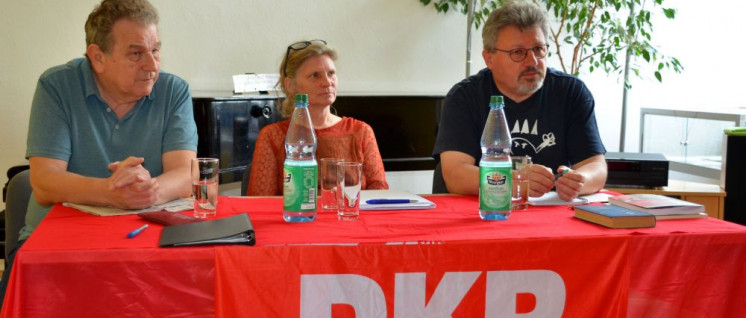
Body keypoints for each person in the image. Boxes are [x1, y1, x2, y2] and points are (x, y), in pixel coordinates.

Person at [0, 0, 197, 304]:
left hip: (144, 244)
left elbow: (187, 174)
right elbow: (44, 183)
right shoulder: (57, 86)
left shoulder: (174, 91)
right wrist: (109, 192)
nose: (152, 66)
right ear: (98, 57)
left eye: (155, 50)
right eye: (136, 53)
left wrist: (147, 191)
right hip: (56, 247)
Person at [433, 0, 607, 201]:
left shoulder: (571, 93)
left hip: (549, 215)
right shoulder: (464, 96)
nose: (532, 61)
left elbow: (596, 167)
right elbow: (456, 175)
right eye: (518, 52)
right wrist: (515, 179)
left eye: (538, 49)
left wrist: (579, 181)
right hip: (485, 212)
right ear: (489, 59)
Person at [247, 40, 388, 195]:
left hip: (350, 219)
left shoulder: (361, 131)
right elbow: (259, 203)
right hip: (297, 219)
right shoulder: (272, 136)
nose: (327, 82)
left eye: (331, 73)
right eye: (315, 75)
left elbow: (379, 196)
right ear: (291, 85)